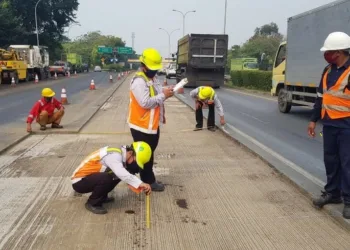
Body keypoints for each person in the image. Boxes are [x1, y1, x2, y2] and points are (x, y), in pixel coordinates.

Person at [307, 31, 350, 219]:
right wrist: (313, 119)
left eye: (329, 52)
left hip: (347, 126)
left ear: (339, 52)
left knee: (347, 163)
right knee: (331, 160)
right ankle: (333, 194)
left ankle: (348, 201)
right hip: (330, 124)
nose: (327, 55)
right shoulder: (328, 70)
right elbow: (320, 96)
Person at [127, 48, 174, 192]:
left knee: (148, 153)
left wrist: (168, 90)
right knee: (144, 155)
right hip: (141, 125)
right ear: (144, 65)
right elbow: (145, 103)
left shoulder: (152, 79)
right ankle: (145, 180)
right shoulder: (139, 81)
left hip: (150, 125)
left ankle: (142, 178)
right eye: (152, 68)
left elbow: (158, 92)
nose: (154, 71)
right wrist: (164, 96)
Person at [71, 141, 152, 214]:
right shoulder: (114, 155)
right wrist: (141, 183)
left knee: (114, 176)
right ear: (130, 153)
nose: (135, 164)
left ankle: (102, 197)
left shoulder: (120, 156)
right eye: (135, 161)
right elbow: (122, 174)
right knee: (107, 178)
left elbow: (124, 175)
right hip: (79, 182)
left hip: (89, 179)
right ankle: (92, 203)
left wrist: (139, 186)